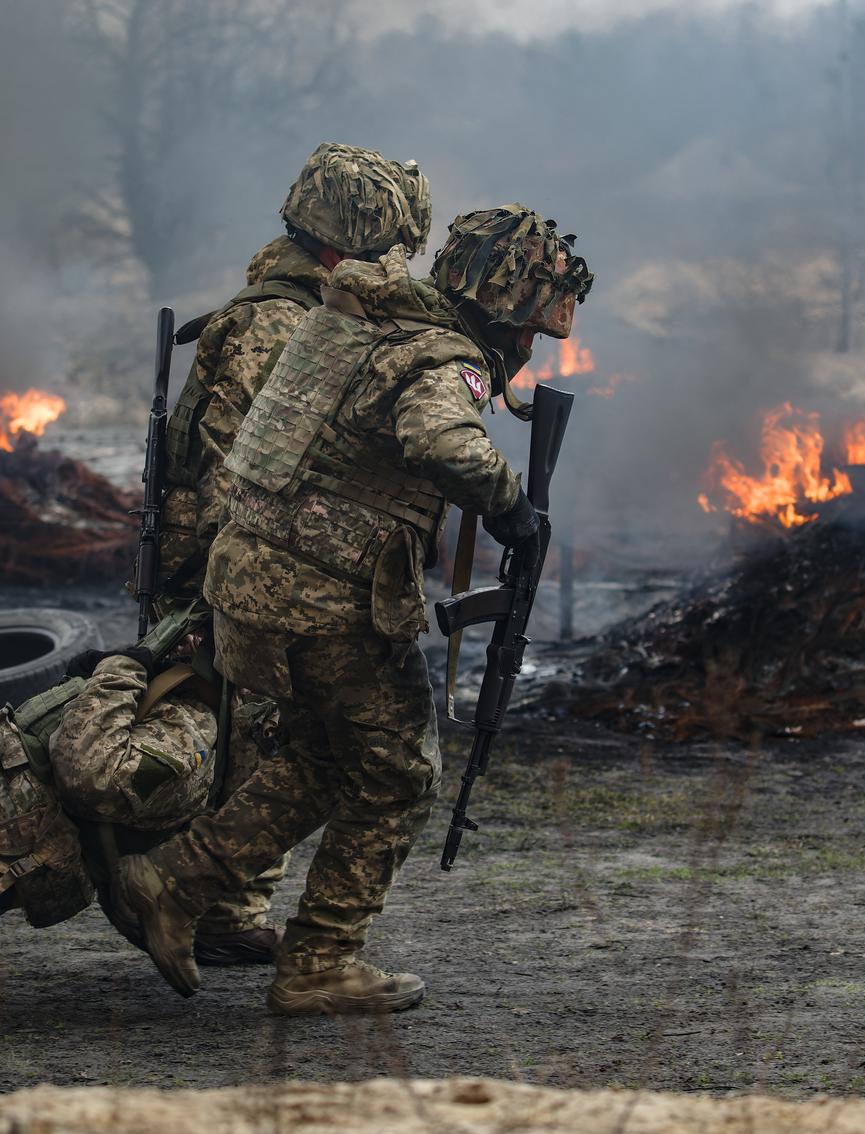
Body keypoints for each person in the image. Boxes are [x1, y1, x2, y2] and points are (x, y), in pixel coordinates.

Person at [111, 204, 593, 1015]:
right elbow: (445, 443)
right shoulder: (447, 360)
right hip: (324, 599)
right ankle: (321, 961)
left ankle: (168, 882)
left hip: (253, 586)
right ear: (510, 310)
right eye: (533, 331)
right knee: (399, 773)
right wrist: (511, 506)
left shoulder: (365, 317)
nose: (529, 349)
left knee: (322, 759)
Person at [151, 142, 432, 961]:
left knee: (274, 731)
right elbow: (239, 465)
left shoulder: (283, 308)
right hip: (239, 561)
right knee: (263, 731)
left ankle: (222, 905)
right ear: (349, 244)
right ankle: (221, 912)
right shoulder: (282, 322)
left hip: (237, 557)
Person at [0, 625, 276, 958]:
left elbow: (95, 780)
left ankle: (221, 923)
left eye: (201, 636)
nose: (187, 641)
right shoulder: (174, 700)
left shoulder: (191, 728)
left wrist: (119, 670)